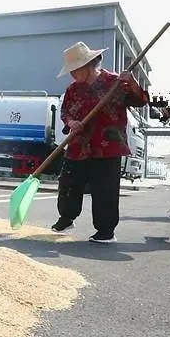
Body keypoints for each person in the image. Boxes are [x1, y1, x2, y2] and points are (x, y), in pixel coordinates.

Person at [50, 41, 149, 243]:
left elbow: (140, 101)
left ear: (88, 65)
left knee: (105, 190)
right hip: (78, 145)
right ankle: (67, 218)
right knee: (68, 183)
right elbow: (65, 112)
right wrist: (72, 122)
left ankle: (105, 231)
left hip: (107, 146)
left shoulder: (116, 82)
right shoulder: (72, 90)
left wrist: (131, 82)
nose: (72, 74)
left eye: (74, 70)